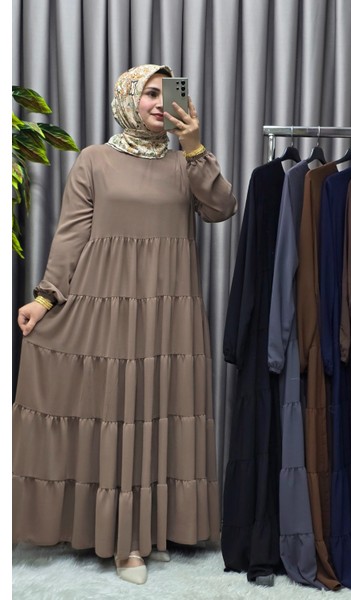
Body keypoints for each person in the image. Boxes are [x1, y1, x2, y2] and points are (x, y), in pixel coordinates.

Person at [13, 63, 237, 585]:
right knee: (117, 411)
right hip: (106, 304)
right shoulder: (94, 159)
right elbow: (71, 234)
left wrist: (195, 147)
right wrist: (45, 298)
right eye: (148, 93)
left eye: (166, 93)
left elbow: (222, 208)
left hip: (169, 310)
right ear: (127, 98)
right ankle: (123, 542)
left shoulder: (185, 163)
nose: (159, 103)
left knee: (159, 410)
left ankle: (151, 529)